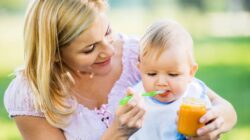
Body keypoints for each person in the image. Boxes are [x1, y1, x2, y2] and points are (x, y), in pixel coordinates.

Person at [3, 0, 236, 140]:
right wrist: (118, 133)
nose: (109, 51)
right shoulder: (30, 95)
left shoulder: (139, 55)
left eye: (107, 32)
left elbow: (220, 106)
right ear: (54, 54)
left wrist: (216, 123)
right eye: (90, 49)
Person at [128, 19, 216, 140]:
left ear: (190, 73)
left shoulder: (195, 97)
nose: (161, 83)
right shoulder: (137, 98)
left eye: (173, 74)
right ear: (140, 70)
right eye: (152, 74)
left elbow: (211, 132)